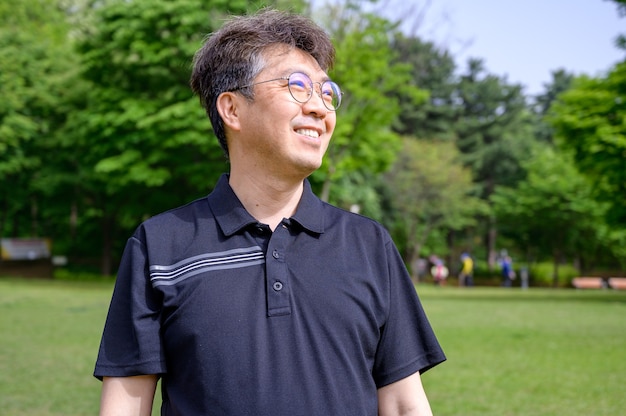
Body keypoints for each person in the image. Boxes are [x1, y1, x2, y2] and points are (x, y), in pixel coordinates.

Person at [94, 9, 445, 416]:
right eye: (297, 86)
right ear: (232, 109)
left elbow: (404, 404)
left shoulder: (369, 245)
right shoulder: (159, 245)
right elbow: (124, 406)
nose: (320, 107)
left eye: (327, 92)